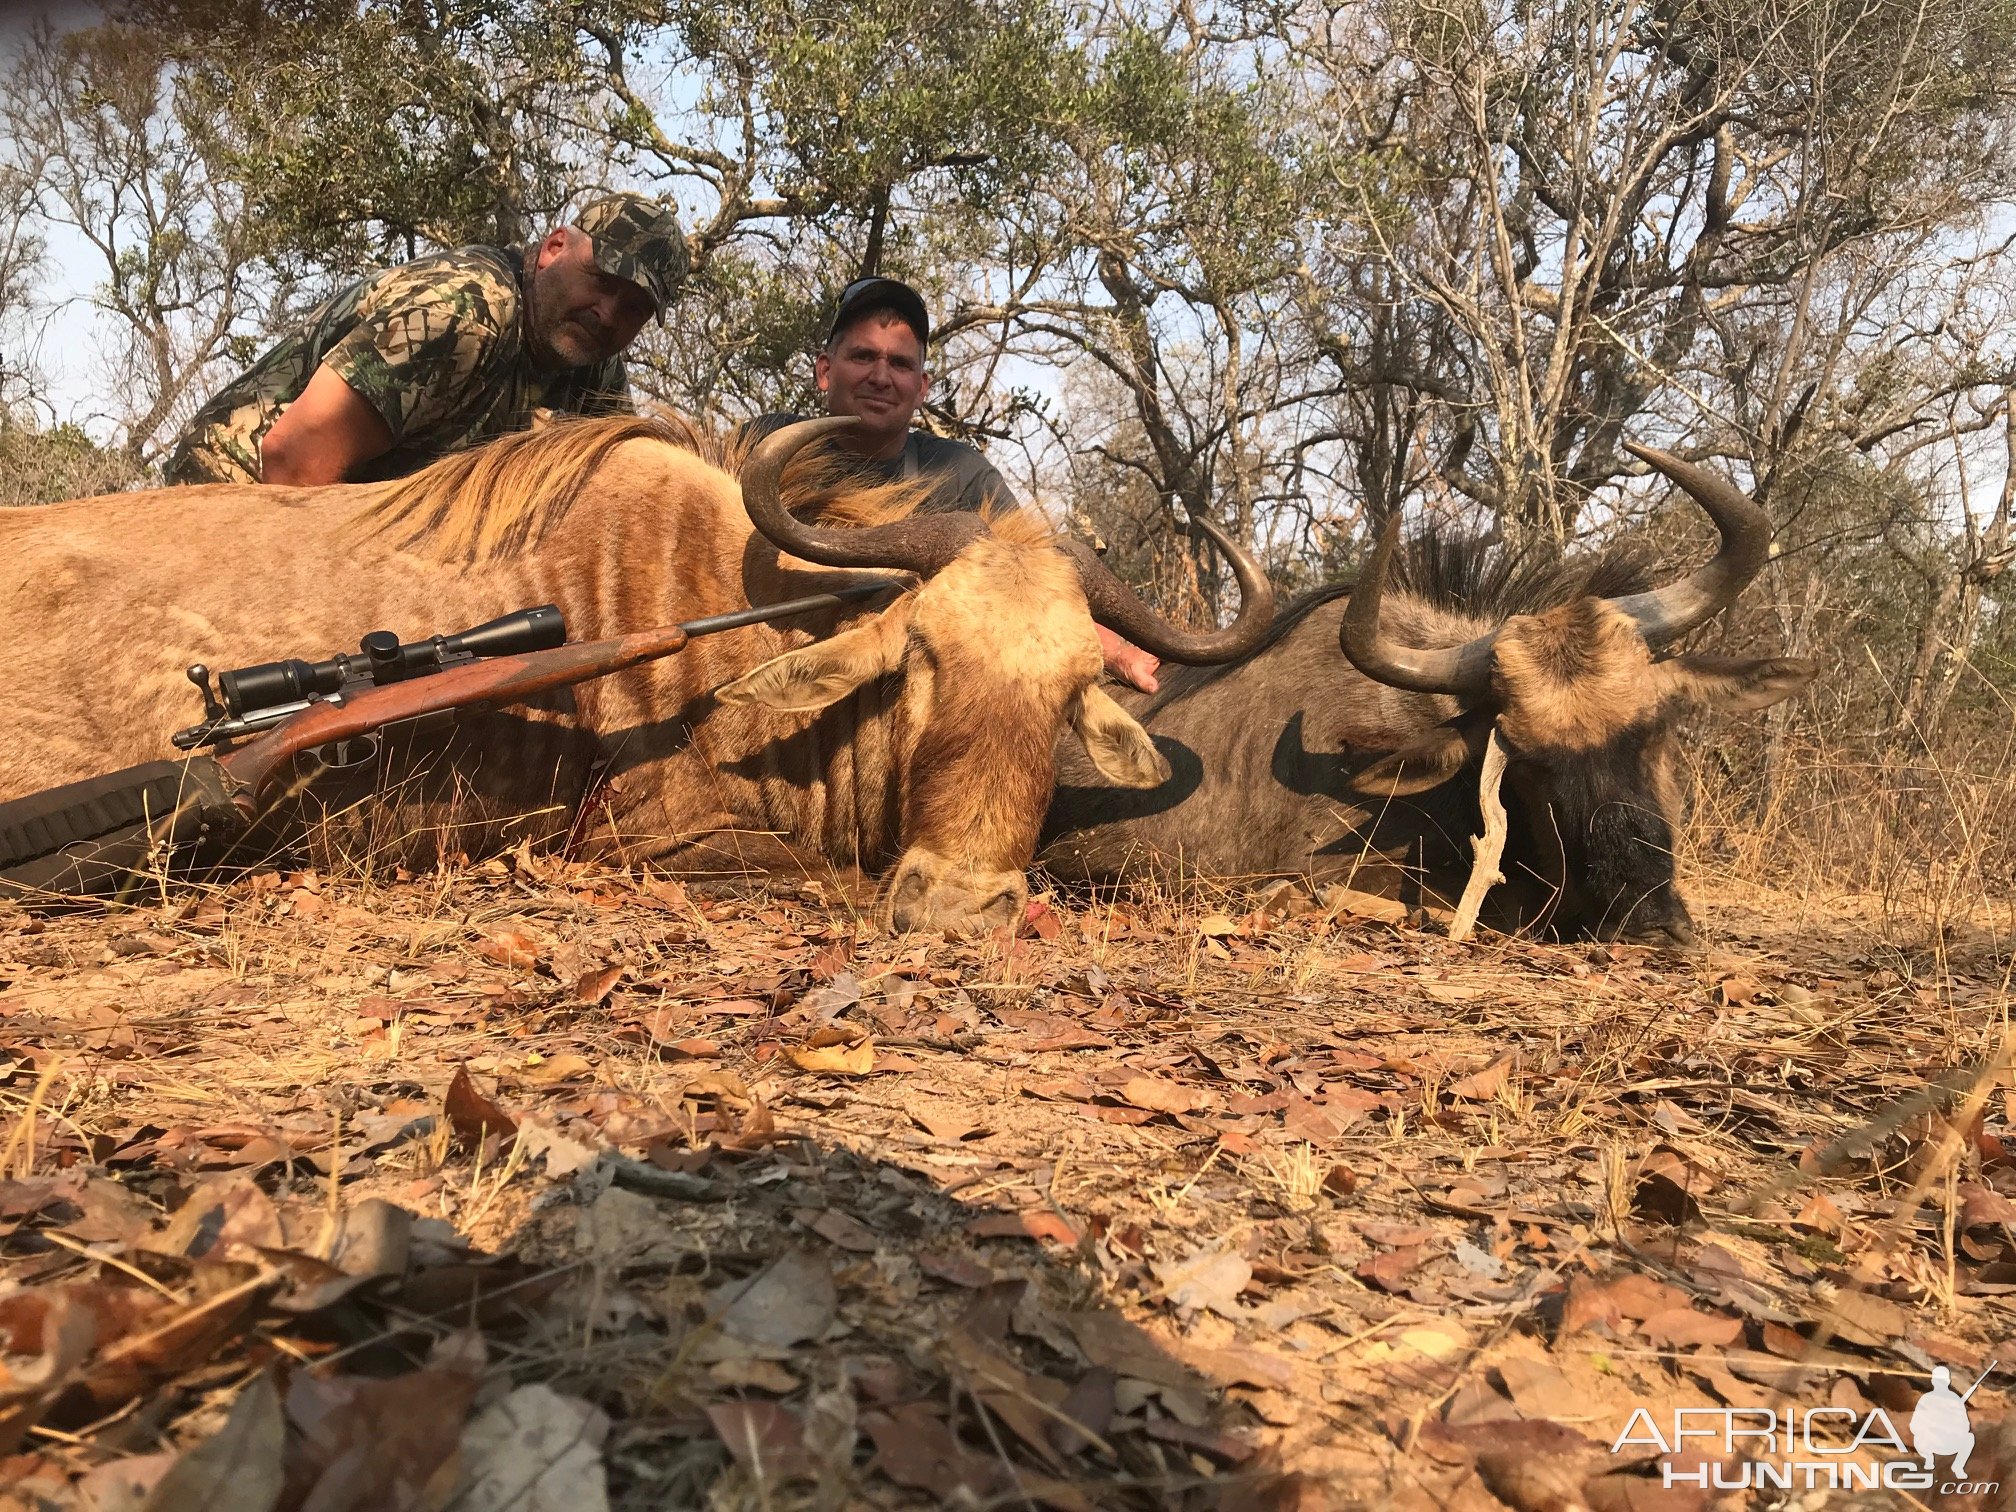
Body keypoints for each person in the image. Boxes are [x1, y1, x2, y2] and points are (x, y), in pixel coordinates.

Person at [739, 276, 1163, 693]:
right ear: (825, 370)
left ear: (921, 388)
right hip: (766, 668)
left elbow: (1026, 580)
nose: (881, 377)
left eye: (901, 363)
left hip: (901, 695)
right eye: (863, 356)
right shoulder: (763, 446)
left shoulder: (960, 473)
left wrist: (1111, 649)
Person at [164, 192, 687, 487]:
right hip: (230, 494)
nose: (608, 314)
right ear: (553, 247)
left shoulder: (592, 366)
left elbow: (615, 495)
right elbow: (294, 457)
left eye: (635, 308)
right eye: (602, 280)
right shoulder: (464, 311)